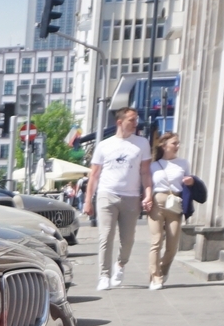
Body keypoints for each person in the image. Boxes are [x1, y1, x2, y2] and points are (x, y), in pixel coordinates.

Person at [83, 108, 150, 288]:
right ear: (119, 122)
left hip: (131, 196)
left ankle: (120, 264)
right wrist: (88, 200)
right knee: (106, 236)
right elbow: (94, 175)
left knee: (128, 239)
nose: (136, 123)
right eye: (132, 120)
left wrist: (147, 194)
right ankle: (104, 275)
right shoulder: (104, 145)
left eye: (136, 120)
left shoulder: (142, 143)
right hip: (107, 194)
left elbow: (145, 171)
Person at [146, 131, 195, 290]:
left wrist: (190, 181)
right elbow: (147, 185)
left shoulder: (183, 163)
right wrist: (146, 199)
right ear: (164, 145)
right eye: (174, 143)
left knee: (172, 246)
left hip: (175, 204)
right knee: (156, 241)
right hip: (157, 203)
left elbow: (190, 184)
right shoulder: (153, 165)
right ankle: (155, 277)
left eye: (178, 143)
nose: (177, 146)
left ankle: (161, 268)